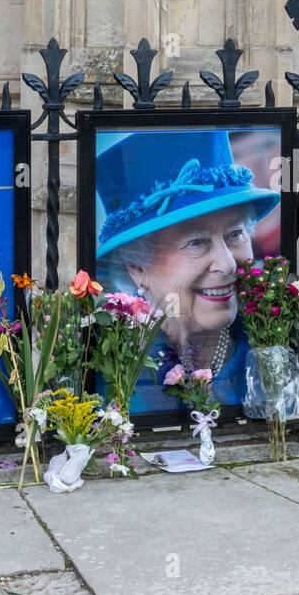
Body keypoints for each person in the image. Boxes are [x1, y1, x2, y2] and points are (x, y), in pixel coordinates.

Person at [94, 129, 281, 414]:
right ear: (137, 267)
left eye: (235, 234)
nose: (228, 264)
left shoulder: (270, 349)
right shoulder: (112, 373)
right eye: (196, 242)